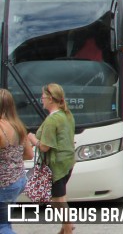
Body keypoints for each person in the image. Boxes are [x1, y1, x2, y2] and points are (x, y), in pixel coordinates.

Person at [27, 84, 75, 234]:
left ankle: (68, 229)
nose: (41, 98)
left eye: (43, 96)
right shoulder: (66, 114)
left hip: (56, 166)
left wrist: (31, 137)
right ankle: (65, 227)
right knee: (60, 198)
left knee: (58, 201)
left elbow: (44, 147)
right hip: (68, 162)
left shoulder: (52, 120)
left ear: (50, 99)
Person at [0, 89, 34, 234]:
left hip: (3, 184)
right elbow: (29, 154)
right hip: (17, 181)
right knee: (5, 221)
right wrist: (11, 158)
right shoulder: (19, 126)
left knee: (2, 226)